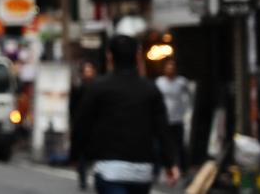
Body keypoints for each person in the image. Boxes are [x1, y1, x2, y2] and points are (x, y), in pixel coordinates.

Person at [73, 35, 179, 194]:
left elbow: (82, 124)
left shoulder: (98, 88)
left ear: (110, 57)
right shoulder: (150, 89)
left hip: (109, 169)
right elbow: (162, 129)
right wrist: (170, 163)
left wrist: (76, 154)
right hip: (142, 171)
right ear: (137, 57)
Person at [155, 59, 193, 176]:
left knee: (180, 145)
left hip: (177, 118)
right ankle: (161, 169)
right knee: (161, 145)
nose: (170, 69)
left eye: (172, 67)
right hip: (164, 118)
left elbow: (190, 96)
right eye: (168, 67)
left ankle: (183, 168)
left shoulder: (182, 82)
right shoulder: (159, 82)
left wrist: (186, 111)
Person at [70, 61, 99, 191]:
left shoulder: (99, 87)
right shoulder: (78, 87)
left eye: (90, 70)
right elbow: (72, 107)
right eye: (86, 70)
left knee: (94, 154)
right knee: (81, 154)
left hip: (95, 126)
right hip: (81, 125)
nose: (88, 73)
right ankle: (82, 179)